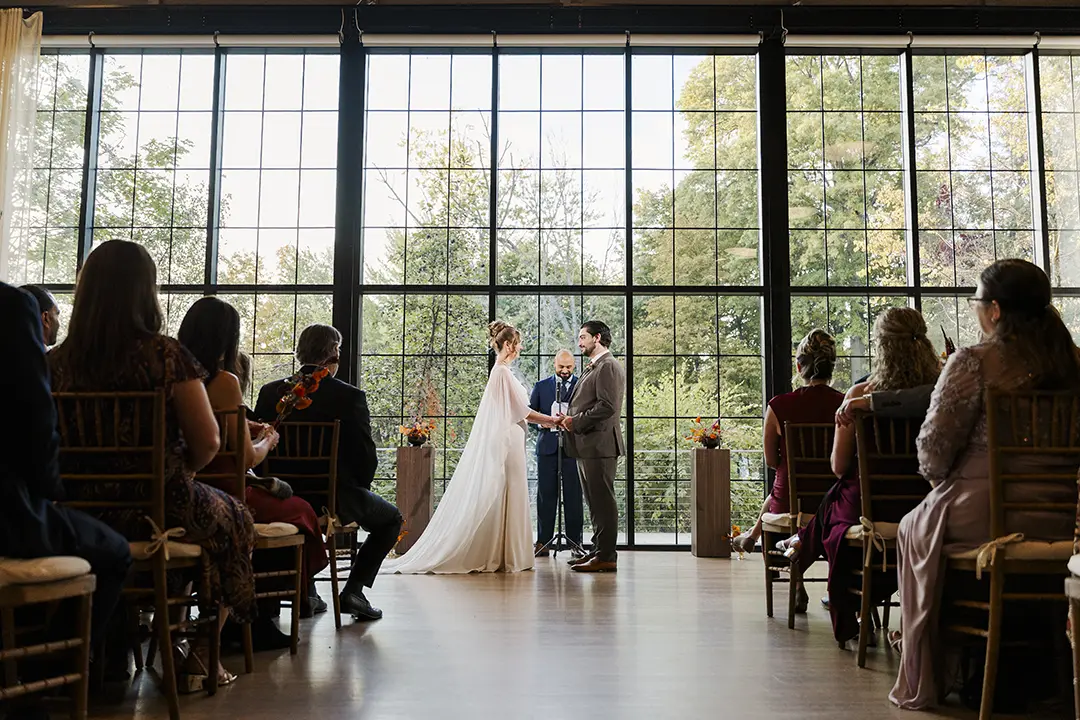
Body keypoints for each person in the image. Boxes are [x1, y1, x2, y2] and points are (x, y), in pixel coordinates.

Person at [48, 240, 254, 690]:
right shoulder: (167, 356)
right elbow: (208, 441)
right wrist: (185, 474)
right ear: (146, 293)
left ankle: (116, 653)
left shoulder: (53, 364)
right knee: (236, 518)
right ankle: (198, 651)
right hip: (160, 506)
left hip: (76, 513)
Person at [889, 259, 1080, 710]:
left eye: (976, 301)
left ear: (994, 310)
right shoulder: (1074, 363)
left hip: (987, 512)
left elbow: (933, 449)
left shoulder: (973, 361)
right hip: (1067, 515)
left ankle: (950, 657)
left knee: (913, 527)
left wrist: (948, 486)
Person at [0, 280, 132, 705]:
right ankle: (46, 674)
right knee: (114, 551)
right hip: (6, 512)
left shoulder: (63, 359)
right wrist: (50, 491)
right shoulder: (10, 307)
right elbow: (35, 424)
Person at [778, 308, 941, 648]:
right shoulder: (941, 393)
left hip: (870, 505)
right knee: (835, 498)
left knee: (838, 493)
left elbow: (838, 466)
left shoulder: (858, 397)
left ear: (881, 348)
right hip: (923, 500)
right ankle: (800, 545)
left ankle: (800, 548)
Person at [177, 297, 330, 649]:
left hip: (189, 484)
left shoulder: (176, 375)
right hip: (225, 490)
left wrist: (245, 422)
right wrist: (267, 441)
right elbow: (246, 457)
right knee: (301, 512)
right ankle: (259, 611)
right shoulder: (225, 381)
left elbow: (203, 417)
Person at [379, 321, 559, 575]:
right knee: (507, 490)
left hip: (510, 438)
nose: (520, 348)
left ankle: (506, 552)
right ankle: (504, 554)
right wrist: (553, 420)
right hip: (508, 440)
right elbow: (524, 412)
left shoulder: (501, 372)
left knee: (508, 491)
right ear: (508, 345)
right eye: (517, 344)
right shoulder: (503, 373)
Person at [254, 324, 401, 619]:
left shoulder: (271, 392)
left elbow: (257, 443)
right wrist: (357, 488)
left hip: (282, 498)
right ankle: (353, 591)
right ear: (334, 353)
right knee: (392, 520)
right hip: (332, 497)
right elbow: (365, 455)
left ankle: (307, 591)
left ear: (300, 352)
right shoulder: (350, 397)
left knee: (304, 507)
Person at [731, 329, 843, 569]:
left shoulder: (779, 406)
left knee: (777, 491)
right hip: (836, 501)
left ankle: (794, 580)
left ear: (798, 366)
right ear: (831, 367)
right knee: (777, 491)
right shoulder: (845, 404)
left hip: (790, 503)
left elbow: (771, 460)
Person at [560, 320, 626, 574]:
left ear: (597, 338)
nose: (579, 342)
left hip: (601, 445)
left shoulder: (608, 366)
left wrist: (575, 421)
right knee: (595, 502)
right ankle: (598, 551)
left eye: (583, 337)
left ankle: (607, 556)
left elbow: (607, 406)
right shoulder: (595, 366)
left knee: (603, 502)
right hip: (588, 445)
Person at [529, 349, 584, 557]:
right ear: (554, 365)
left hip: (572, 448)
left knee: (574, 496)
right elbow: (529, 417)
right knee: (546, 496)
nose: (565, 371)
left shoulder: (581, 385)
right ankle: (543, 542)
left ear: (574, 366)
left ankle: (575, 542)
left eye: (568, 367)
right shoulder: (541, 387)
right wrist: (544, 425)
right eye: (561, 367)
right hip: (547, 449)